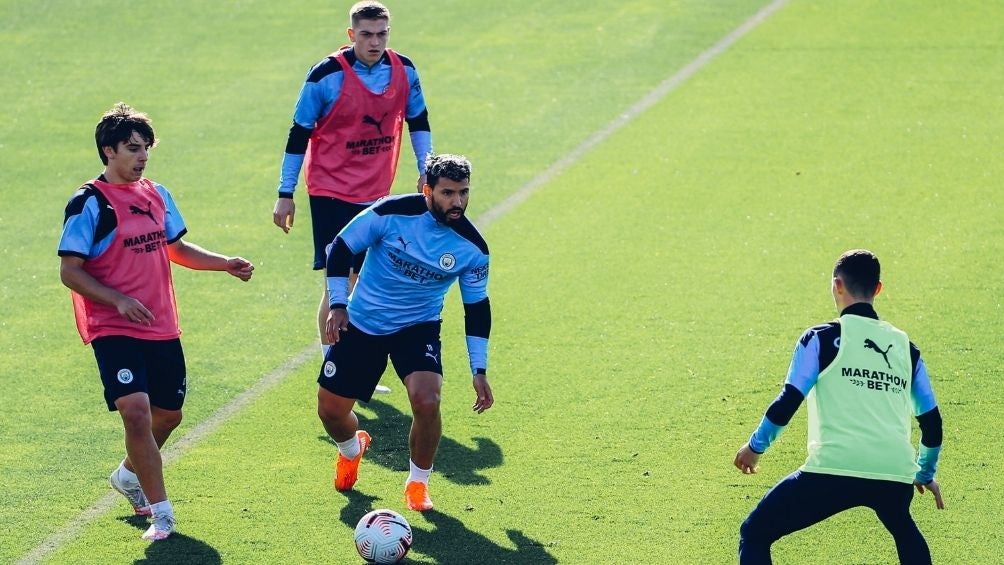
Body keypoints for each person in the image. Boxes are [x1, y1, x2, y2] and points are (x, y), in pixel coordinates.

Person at [58, 103, 255, 541]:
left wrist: (225, 264)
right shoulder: (89, 202)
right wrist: (118, 300)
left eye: (146, 147)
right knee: (136, 413)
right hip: (113, 325)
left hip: (160, 323)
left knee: (169, 414)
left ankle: (129, 475)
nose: (142, 156)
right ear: (108, 151)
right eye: (133, 148)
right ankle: (161, 514)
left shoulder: (157, 194)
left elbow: (177, 249)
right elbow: (70, 270)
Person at [733, 249, 944, 564]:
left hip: (832, 469)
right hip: (893, 471)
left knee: (755, 533)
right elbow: (932, 424)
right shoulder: (906, 349)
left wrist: (755, 447)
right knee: (902, 526)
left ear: (836, 285)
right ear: (878, 289)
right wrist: (924, 472)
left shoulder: (820, 338)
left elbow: (789, 399)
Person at [272, 1, 433, 394]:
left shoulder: (404, 71)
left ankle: (348, 360)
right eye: (366, 34)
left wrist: (426, 168)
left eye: (382, 34)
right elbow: (298, 134)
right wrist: (285, 192)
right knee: (337, 281)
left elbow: (419, 120)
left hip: (378, 193)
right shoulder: (326, 76)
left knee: (366, 279)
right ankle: (336, 369)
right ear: (351, 35)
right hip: (331, 191)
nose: (375, 42)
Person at [316, 153, 493, 511]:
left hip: (418, 326)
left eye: (463, 193)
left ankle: (418, 483)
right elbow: (341, 247)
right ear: (426, 190)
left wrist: (480, 370)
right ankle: (352, 448)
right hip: (364, 322)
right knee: (331, 411)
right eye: (447, 193)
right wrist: (338, 304)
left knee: (428, 400)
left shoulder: (472, 248)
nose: (457, 202)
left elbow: (477, 309)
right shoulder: (390, 212)